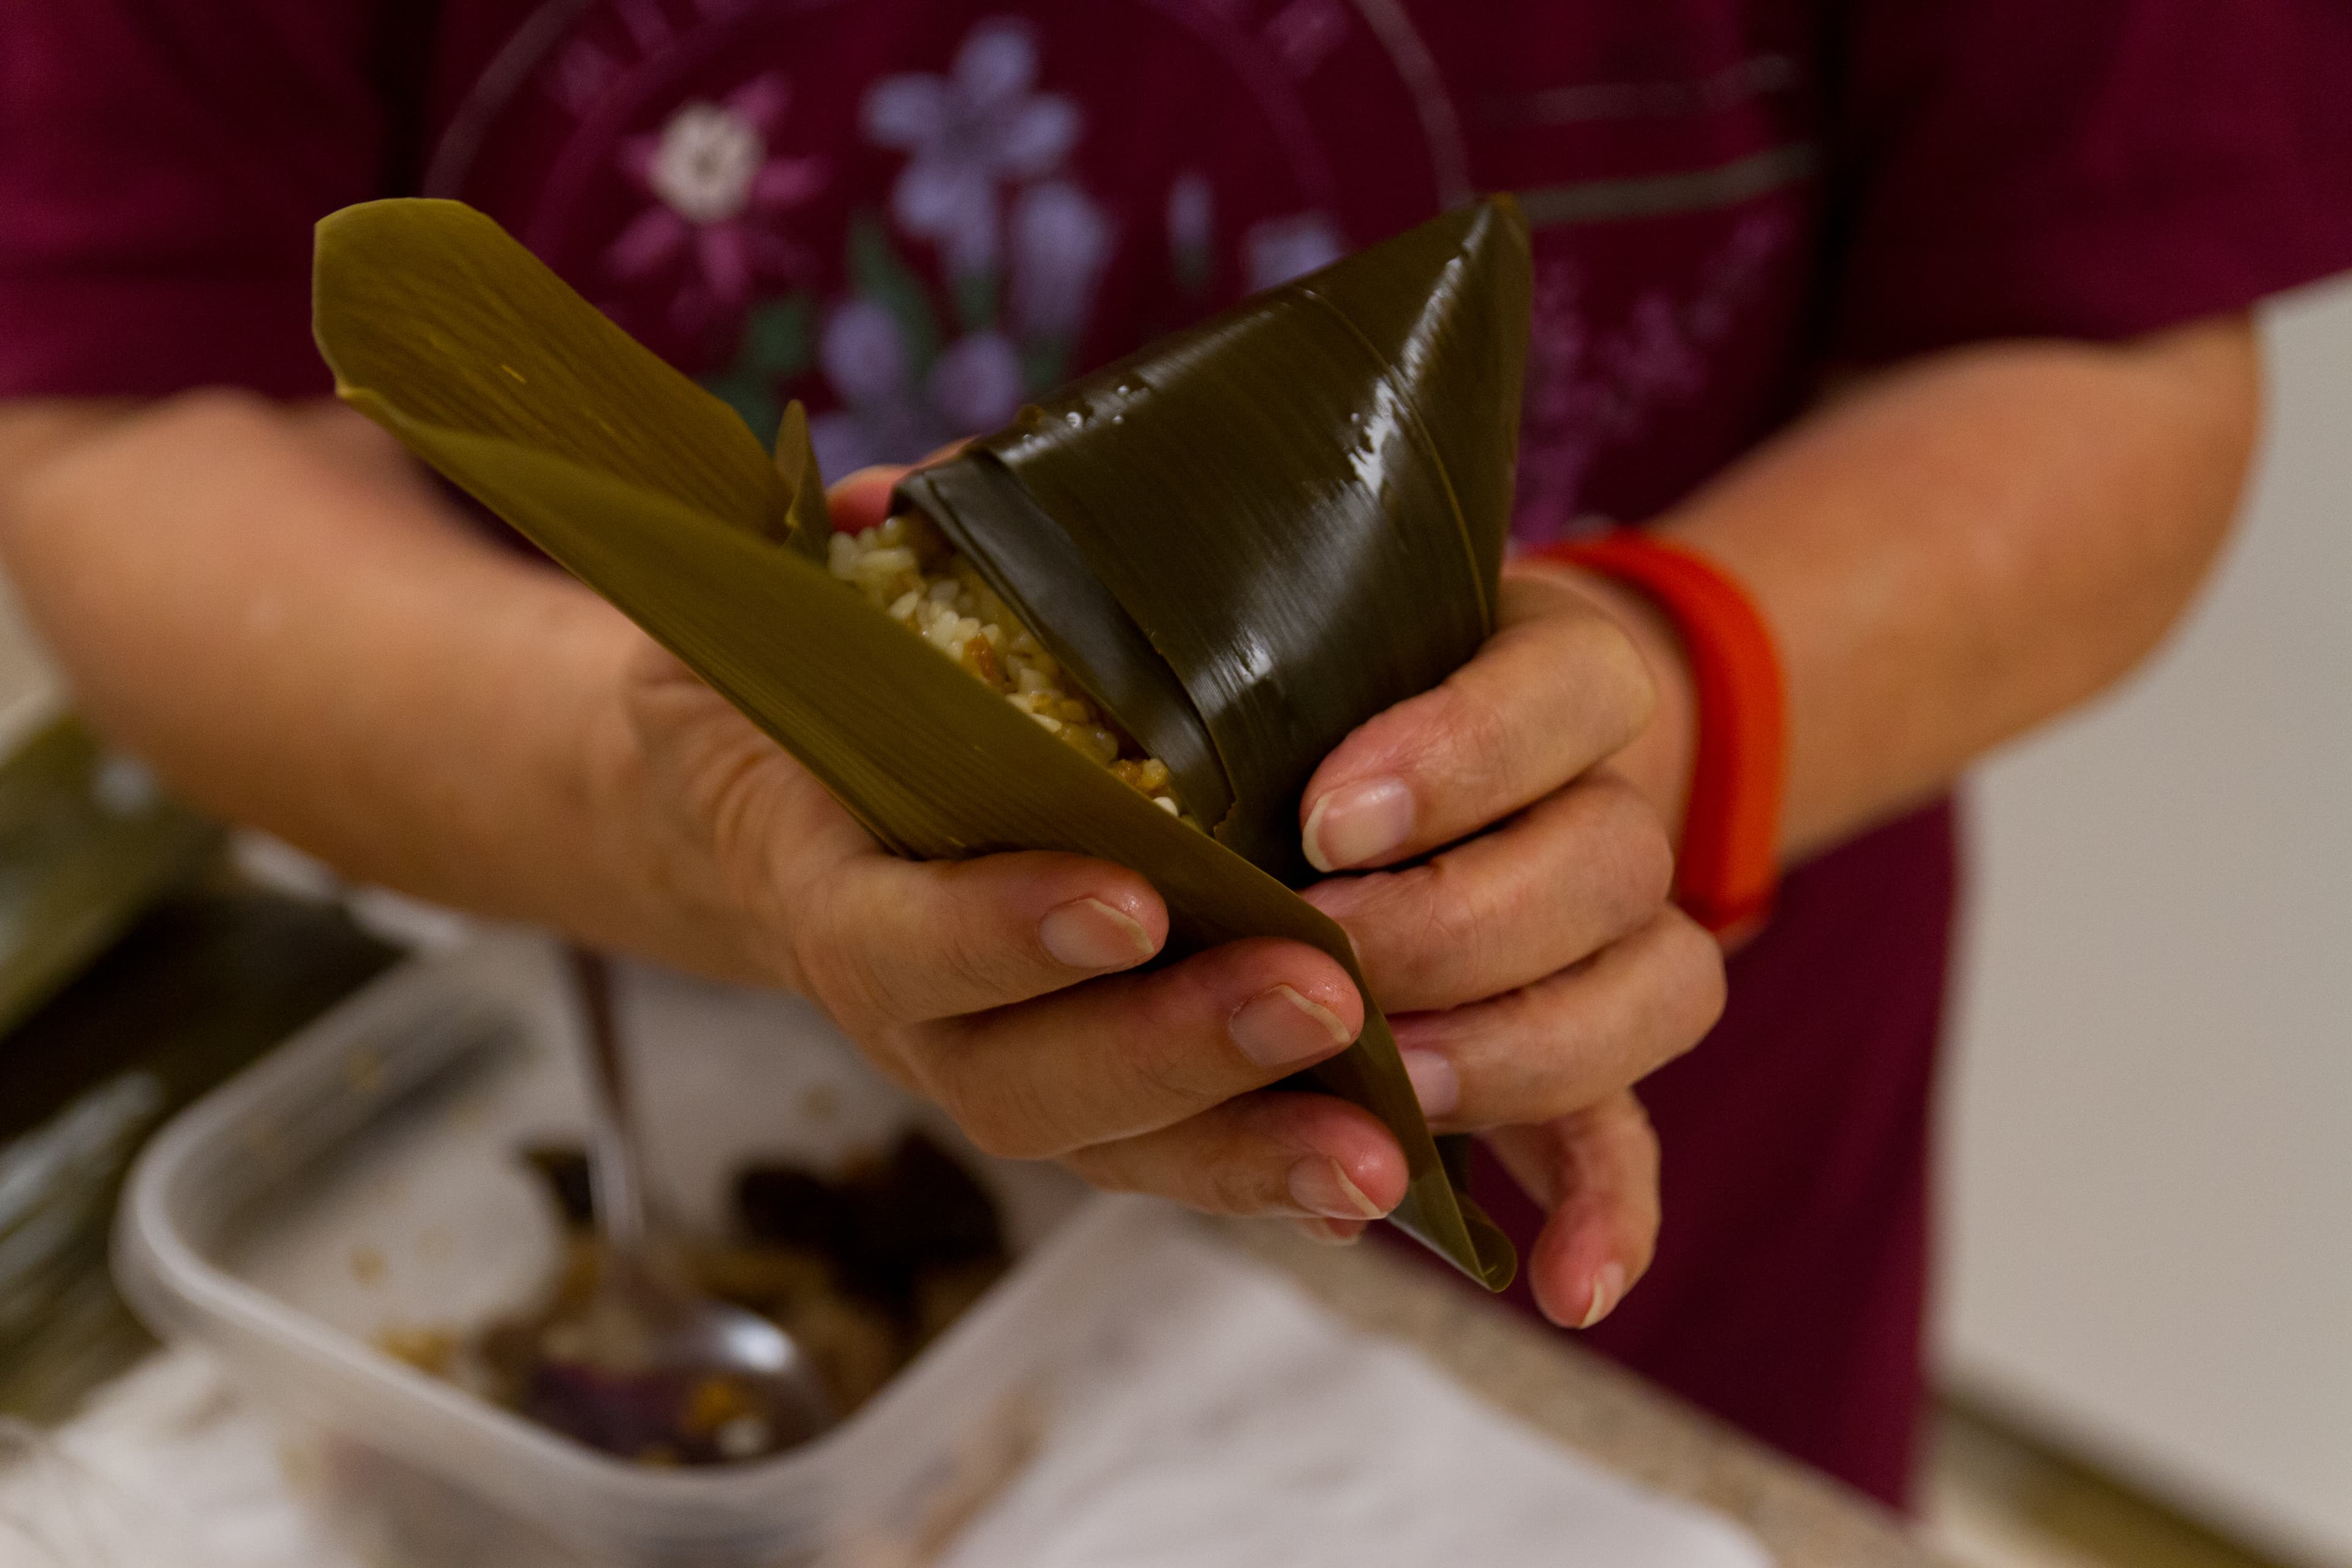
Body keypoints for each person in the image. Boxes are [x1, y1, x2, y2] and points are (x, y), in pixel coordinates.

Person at [1, 2, 2343, 1508]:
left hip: (1592, 1285)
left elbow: (2104, 349)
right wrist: (699, 797)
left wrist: (1679, 686)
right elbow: (132, 418)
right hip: (660, 1202)